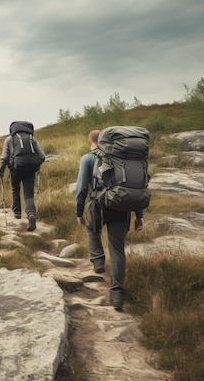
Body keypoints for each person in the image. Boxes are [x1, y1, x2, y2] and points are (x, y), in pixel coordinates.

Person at [74, 129, 145, 311]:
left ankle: (98, 262)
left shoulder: (88, 158)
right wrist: (139, 215)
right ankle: (117, 295)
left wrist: (79, 212)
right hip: (122, 206)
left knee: (92, 228)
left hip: (99, 206)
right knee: (117, 249)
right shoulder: (122, 158)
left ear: (90, 142)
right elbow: (136, 186)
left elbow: (82, 188)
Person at [0, 122, 46, 232]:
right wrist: (36, 165)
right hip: (30, 169)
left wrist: (1, 171)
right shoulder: (32, 139)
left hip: (15, 169)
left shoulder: (10, 139)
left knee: (15, 188)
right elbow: (42, 156)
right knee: (28, 194)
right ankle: (31, 214)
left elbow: (5, 157)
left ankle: (17, 213)